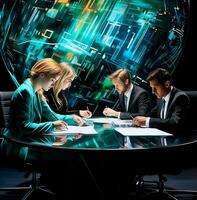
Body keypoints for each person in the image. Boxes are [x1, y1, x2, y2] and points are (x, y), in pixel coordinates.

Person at [1, 58, 84, 161]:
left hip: (27, 141)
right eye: (53, 80)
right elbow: (24, 126)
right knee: (62, 159)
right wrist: (52, 125)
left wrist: (71, 118)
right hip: (17, 146)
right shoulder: (26, 92)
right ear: (42, 75)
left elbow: (51, 115)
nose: (53, 84)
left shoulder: (36, 91)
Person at [132, 68, 190, 135]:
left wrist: (147, 121)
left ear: (167, 84)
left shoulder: (180, 98)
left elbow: (174, 123)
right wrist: (138, 119)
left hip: (177, 140)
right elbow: (151, 114)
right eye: (151, 88)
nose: (153, 92)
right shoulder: (161, 97)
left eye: (155, 88)